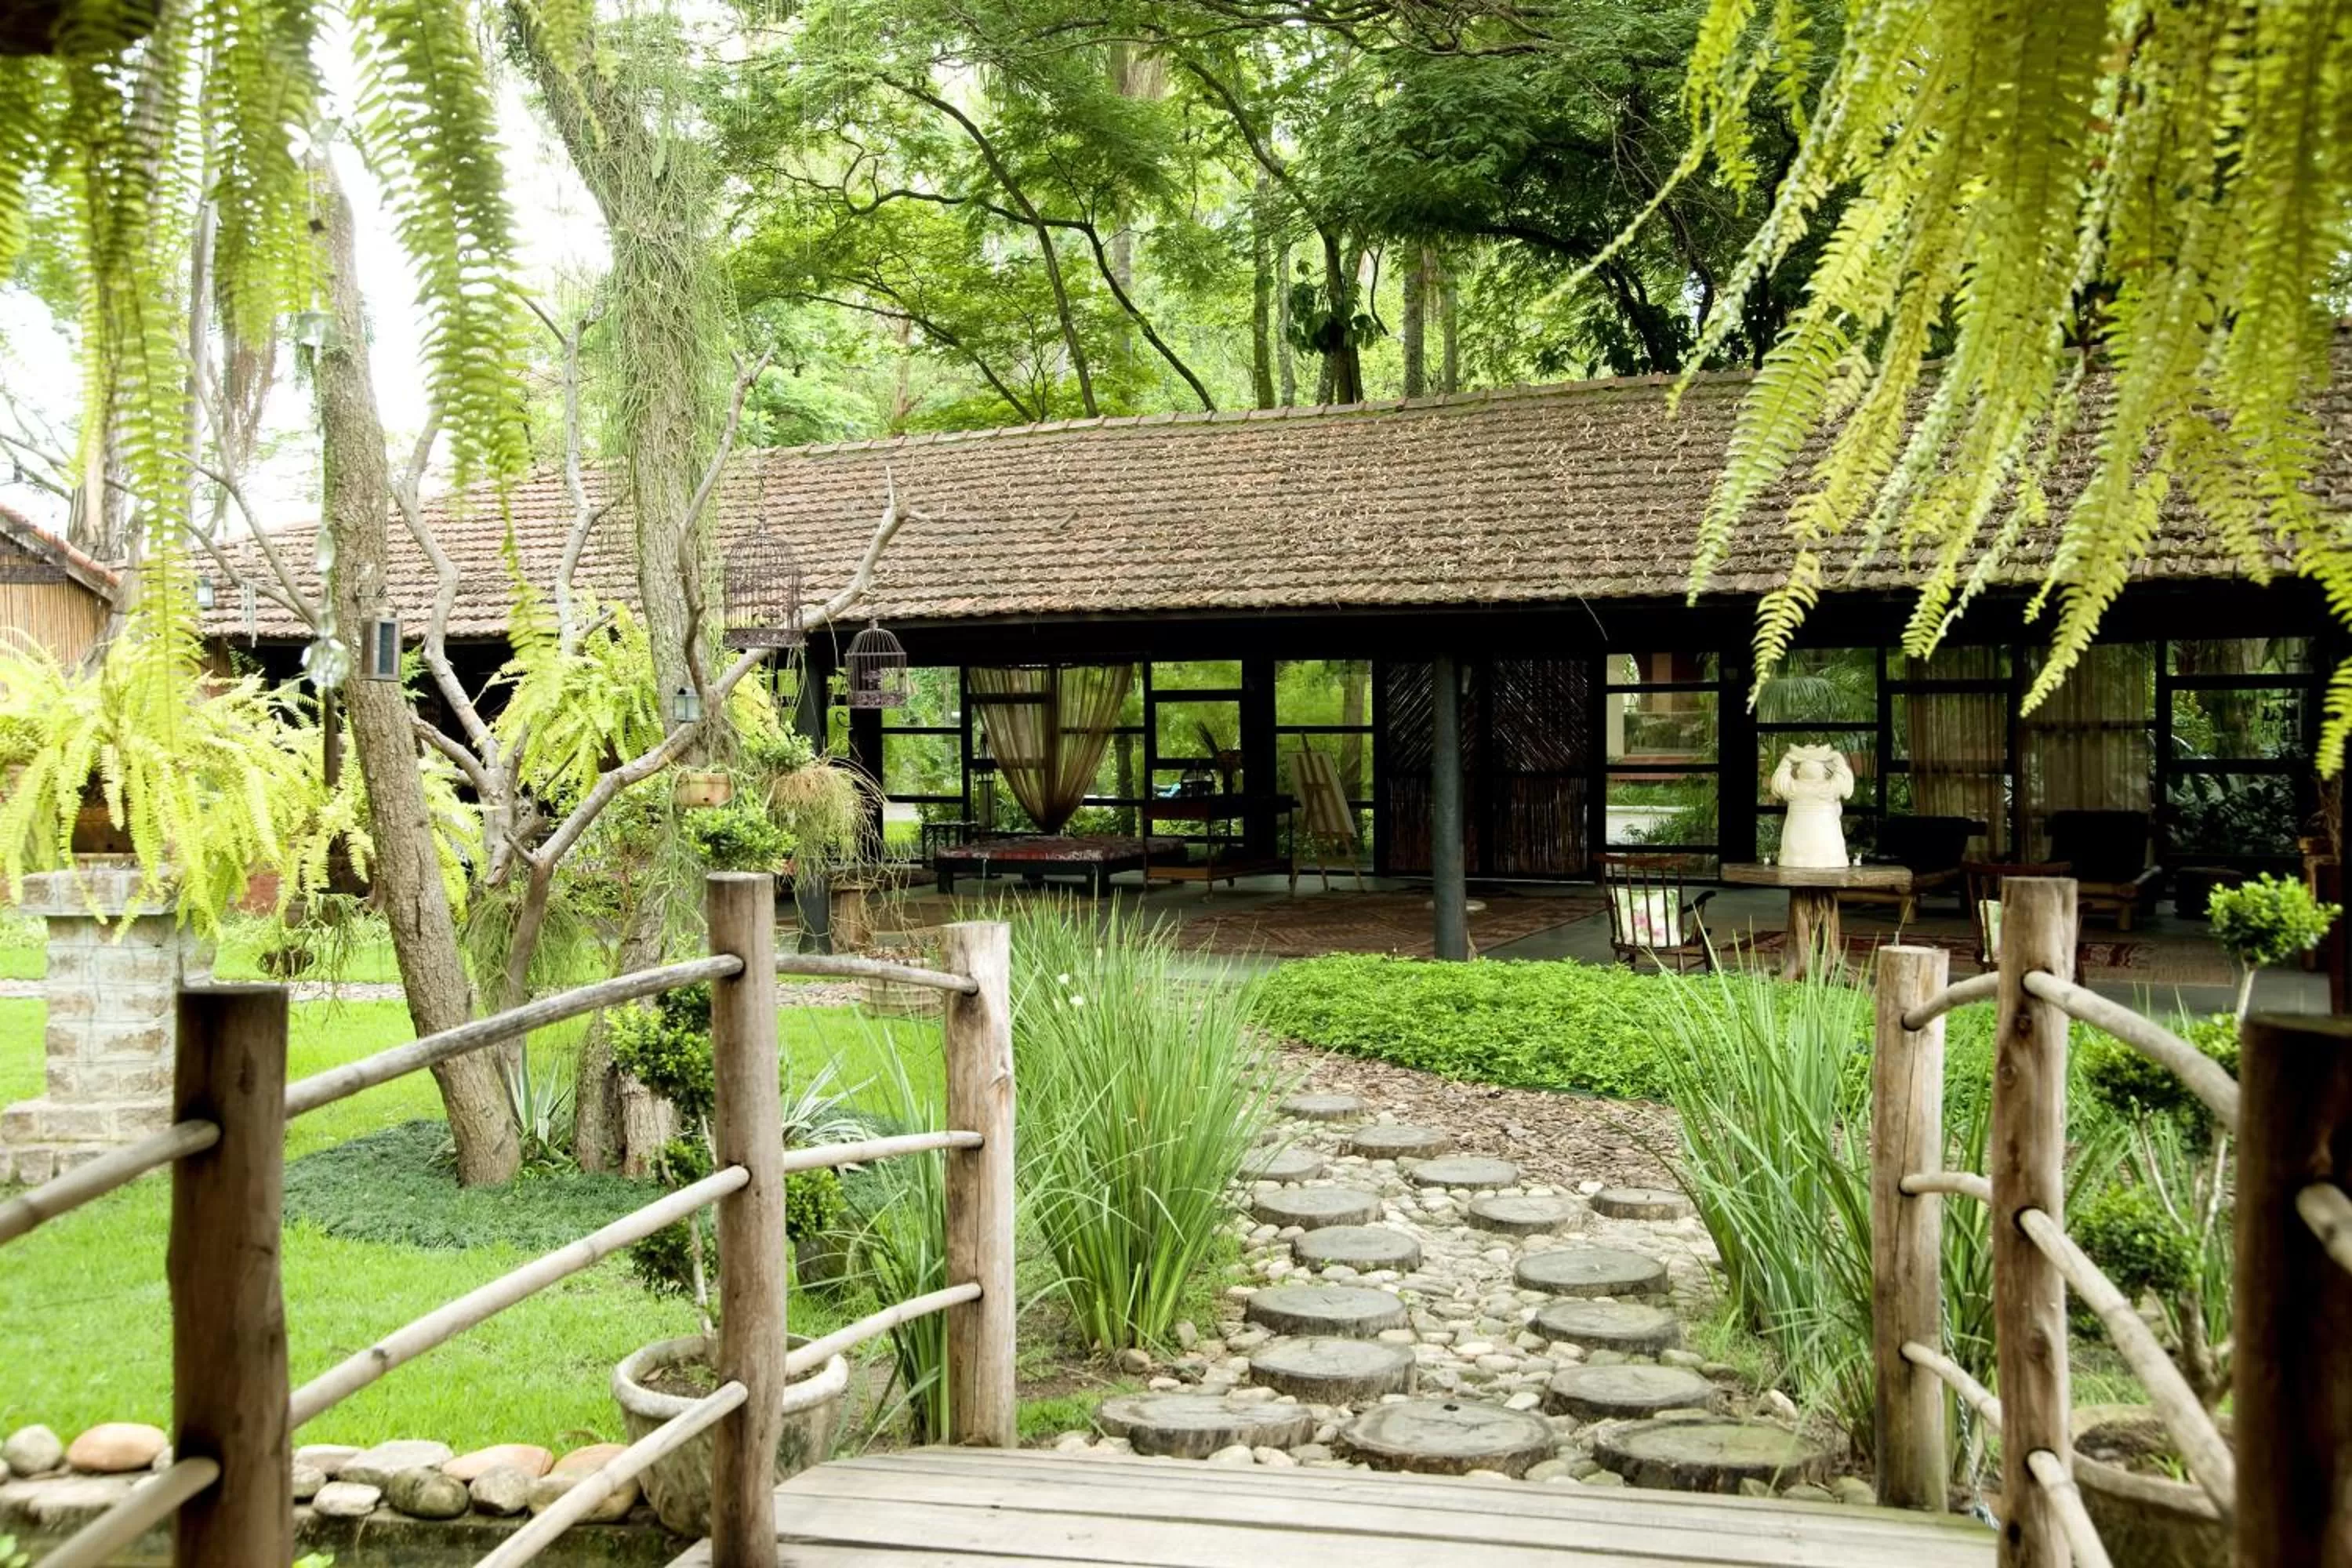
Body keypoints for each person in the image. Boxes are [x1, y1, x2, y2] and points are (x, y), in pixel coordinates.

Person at [1771, 745, 1853, 868]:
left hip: (1795, 854)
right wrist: (1838, 759)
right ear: (1824, 772)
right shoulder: (1830, 789)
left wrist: (1787, 761)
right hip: (1830, 855)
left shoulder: (1793, 789)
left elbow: (1778, 782)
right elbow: (1846, 785)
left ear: (1799, 772)